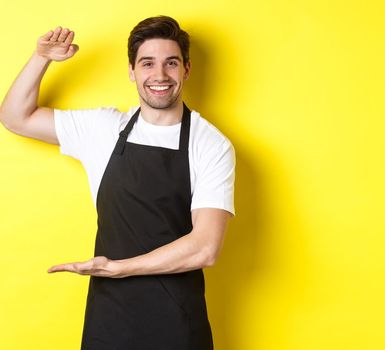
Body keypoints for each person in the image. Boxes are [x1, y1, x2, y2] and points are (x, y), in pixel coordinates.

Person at [0, 16, 234, 349]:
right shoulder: (103, 128)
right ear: (132, 71)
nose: (160, 75)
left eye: (171, 63)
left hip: (177, 321)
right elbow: (14, 117)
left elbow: (205, 247)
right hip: (110, 317)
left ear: (187, 69)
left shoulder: (209, 144)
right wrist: (42, 58)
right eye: (147, 63)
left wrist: (120, 268)